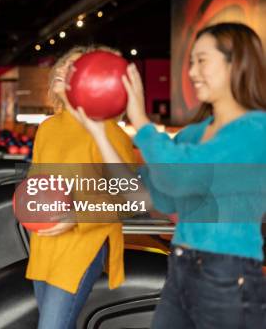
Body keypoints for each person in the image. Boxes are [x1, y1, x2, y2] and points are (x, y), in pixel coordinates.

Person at [70, 22, 266, 328]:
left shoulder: (255, 130)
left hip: (229, 275)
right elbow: (143, 195)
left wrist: (140, 119)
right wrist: (100, 135)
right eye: (190, 62)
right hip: (181, 269)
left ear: (236, 63)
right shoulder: (195, 135)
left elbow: (181, 176)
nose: (191, 72)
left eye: (202, 61)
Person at [25, 46, 136, 328]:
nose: (62, 70)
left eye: (74, 68)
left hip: (84, 244)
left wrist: (75, 215)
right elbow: (36, 185)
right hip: (44, 243)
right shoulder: (48, 128)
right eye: (62, 65)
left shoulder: (109, 131)